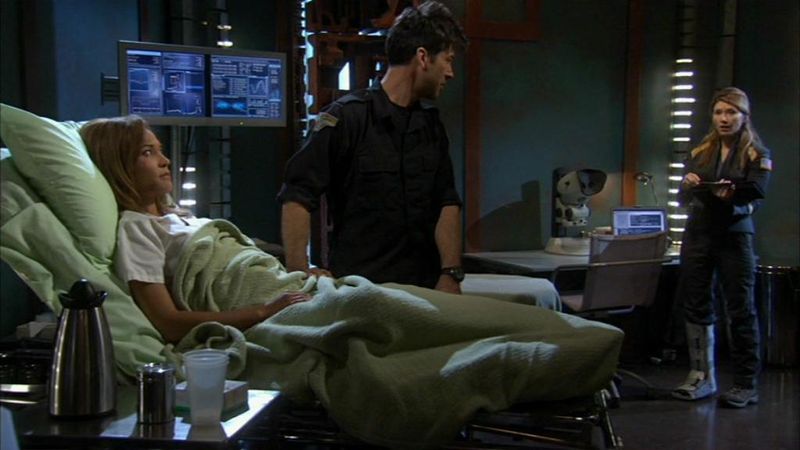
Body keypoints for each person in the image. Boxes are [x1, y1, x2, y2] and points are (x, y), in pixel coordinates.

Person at [277, 1, 468, 294]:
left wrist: (451, 273)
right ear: (423, 57)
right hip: (361, 291)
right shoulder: (347, 118)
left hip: (425, 289)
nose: (451, 72)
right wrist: (299, 273)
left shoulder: (430, 125)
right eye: (448, 60)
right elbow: (298, 194)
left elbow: (447, 201)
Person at [80, 115, 313, 343]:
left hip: (284, 284)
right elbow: (168, 323)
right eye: (147, 152)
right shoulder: (137, 227)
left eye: (160, 150)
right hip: (262, 302)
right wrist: (263, 311)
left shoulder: (178, 216)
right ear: (119, 167)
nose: (165, 161)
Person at [671, 87, 772, 408]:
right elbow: (681, 199)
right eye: (718, 112)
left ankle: (745, 383)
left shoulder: (755, 152)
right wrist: (687, 185)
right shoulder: (701, 151)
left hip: (734, 237)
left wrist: (732, 196)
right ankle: (701, 375)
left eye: (731, 112)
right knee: (696, 303)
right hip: (699, 234)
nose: (724, 119)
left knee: (740, 308)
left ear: (744, 116)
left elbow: (756, 191)